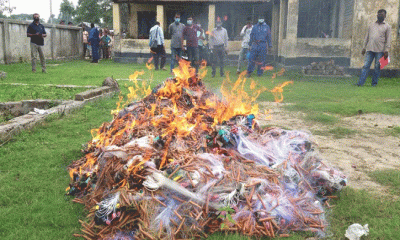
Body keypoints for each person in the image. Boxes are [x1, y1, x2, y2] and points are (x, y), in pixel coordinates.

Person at [357, 9, 391, 87]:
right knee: (365, 66)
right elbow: (367, 37)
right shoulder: (371, 25)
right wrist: (364, 47)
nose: (380, 15)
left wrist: (386, 50)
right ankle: (360, 83)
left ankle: (374, 84)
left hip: (380, 50)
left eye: (382, 14)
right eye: (379, 14)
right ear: (377, 15)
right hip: (369, 49)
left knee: (377, 67)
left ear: (385, 16)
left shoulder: (387, 26)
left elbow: (388, 39)